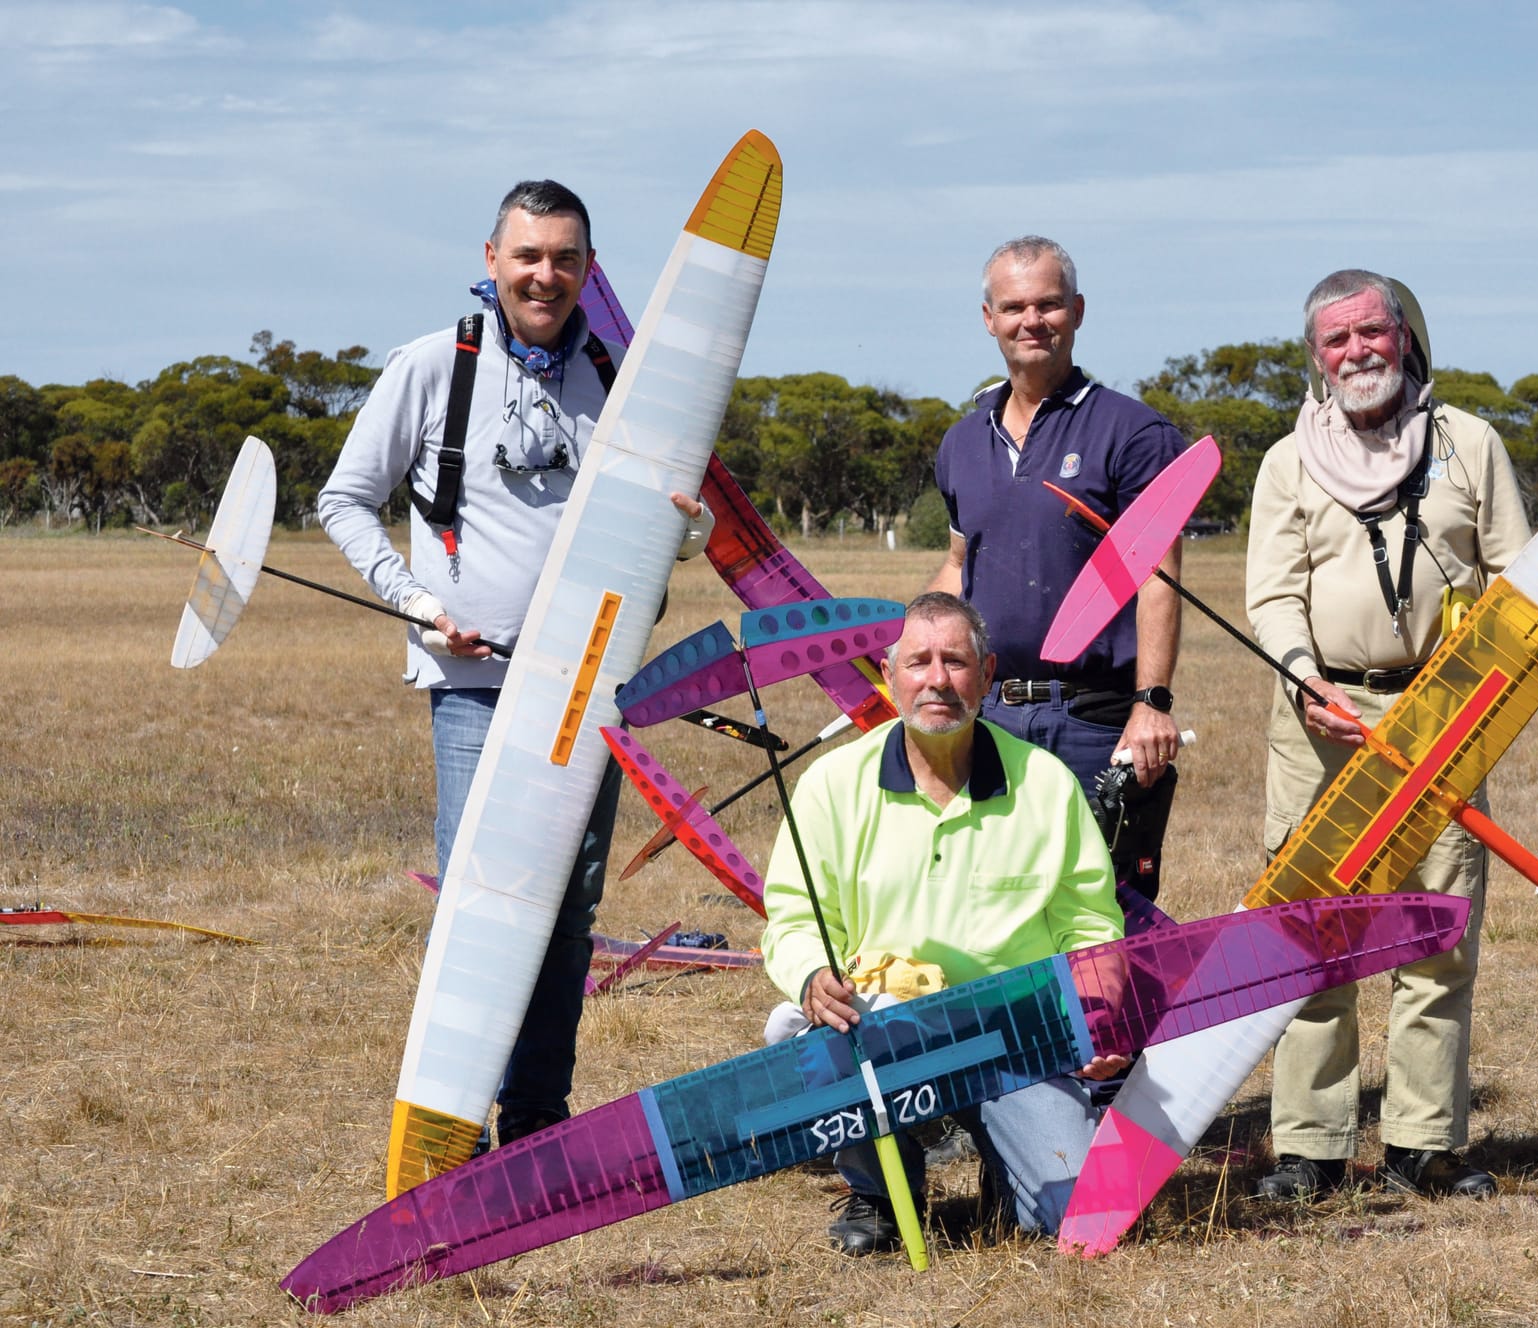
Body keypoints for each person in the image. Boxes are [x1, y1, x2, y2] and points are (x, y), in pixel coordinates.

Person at [319, 179, 706, 1147]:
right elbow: (344, 499)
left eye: (565, 257)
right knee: (482, 898)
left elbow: (659, 520)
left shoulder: (618, 380)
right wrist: (416, 603)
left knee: (570, 898)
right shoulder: (426, 366)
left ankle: (536, 1115)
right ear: (491, 258)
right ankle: (457, 1117)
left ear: (587, 269)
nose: (545, 273)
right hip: (473, 688)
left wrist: (689, 533)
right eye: (527, 254)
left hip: (589, 685)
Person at [1244, 270, 1538, 1201]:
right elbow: (1273, 594)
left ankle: (1422, 1146)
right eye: (1335, 340)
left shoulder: (1470, 444)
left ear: (1406, 337)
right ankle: (1310, 1151)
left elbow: (1524, 575)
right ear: (1315, 358)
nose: (1356, 353)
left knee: (1440, 935)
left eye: (1370, 333)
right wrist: (1304, 675)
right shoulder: (1288, 461)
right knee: (1315, 935)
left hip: (1447, 711)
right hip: (1323, 718)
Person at [759, 592, 1128, 1256]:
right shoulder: (831, 785)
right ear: (889, 674)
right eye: (919, 661)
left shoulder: (1044, 785)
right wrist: (813, 973)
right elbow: (792, 918)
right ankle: (878, 1186)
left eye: (956, 662)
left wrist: (1100, 1012)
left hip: (1015, 1038)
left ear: (987, 677)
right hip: (886, 1030)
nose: (937, 680)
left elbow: (1090, 923)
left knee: (1076, 1218)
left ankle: (1006, 1168)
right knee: (816, 1034)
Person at [927, 236, 1188, 900]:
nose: (1031, 321)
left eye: (1048, 305)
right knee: (986, 903)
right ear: (989, 319)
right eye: (1013, 307)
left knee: (1099, 912)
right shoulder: (962, 442)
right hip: (986, 718)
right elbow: (960, 565)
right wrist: (911, 647)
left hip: (1091, 722)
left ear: (1076, 310)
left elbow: (1159, 574)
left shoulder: (1132, 433)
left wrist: (1151, 705)